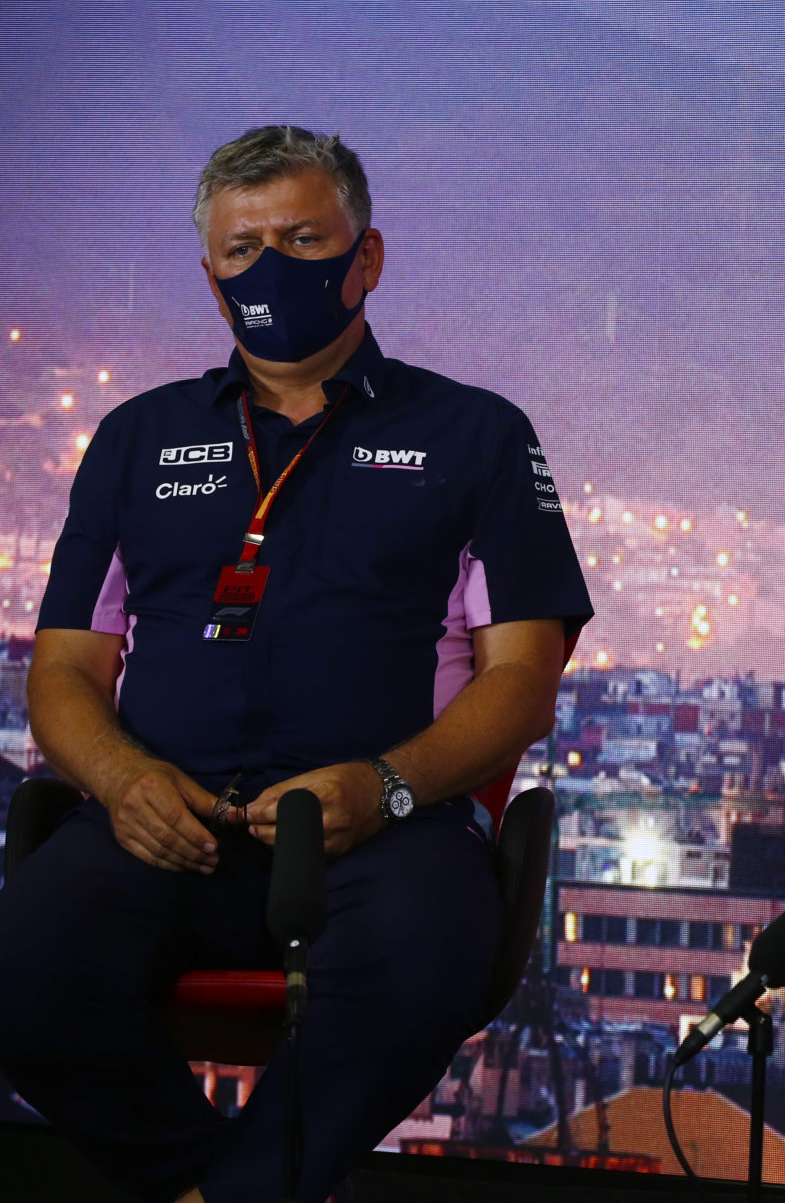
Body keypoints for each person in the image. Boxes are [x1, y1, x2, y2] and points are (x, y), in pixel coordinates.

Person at [0, 125, 593, 1203]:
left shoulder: (477, 435)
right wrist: (125, 782)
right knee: (20, 979)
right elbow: (63, 671)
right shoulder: (137, 437)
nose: (269, 266)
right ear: (211, 278)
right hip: (156, 823)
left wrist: (386, 785)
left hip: (386, 836)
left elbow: (524, 677)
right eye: (242, 248)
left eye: (302, 237)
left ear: (365, 257)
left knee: (418, 973)